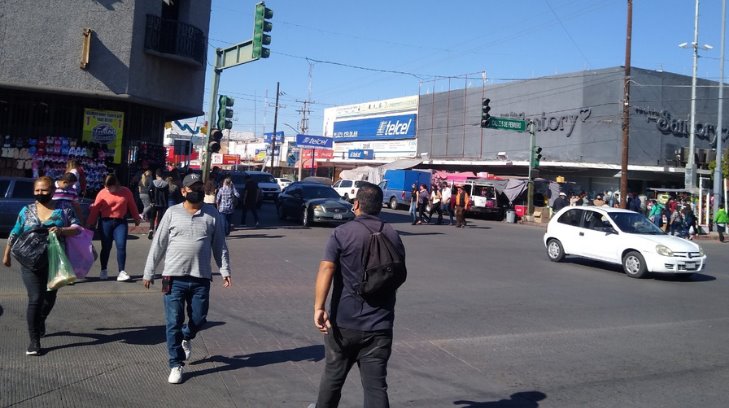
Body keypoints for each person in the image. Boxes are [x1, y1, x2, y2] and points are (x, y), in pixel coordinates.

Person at [312, 182, 405, 407]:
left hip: (344, 322)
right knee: (376, 387)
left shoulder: (342, 233)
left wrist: (319, 307)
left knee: (333, 378)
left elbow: (327, 268)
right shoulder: (392, 234)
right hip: (380, 325)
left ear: (356, 205)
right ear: (379, 207)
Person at [142, 173, 231, 384]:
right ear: (183, 191)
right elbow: (159, 244)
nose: (196, 191)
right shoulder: (171, 213)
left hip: (200, 277)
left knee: (199, 319)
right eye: (192, 188)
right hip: (172, 277)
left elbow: (220, 245)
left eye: (200, 188)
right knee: (173, 322)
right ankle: (175, 364)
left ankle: (187, 336)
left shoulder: (212, 215)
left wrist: (225, 270)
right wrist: (149, 271)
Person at [3, 176, 82, 355]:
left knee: (49, 298)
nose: (40, 193)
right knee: (35, 299)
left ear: (52, 191)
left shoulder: (64, 209)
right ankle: (34, 341)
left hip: (54, 262)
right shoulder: (27, 210)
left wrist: (63, 230)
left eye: (44, 190)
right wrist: (6, 253)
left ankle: (41, 319)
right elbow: (16, 230)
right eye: (37, 190)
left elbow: (77, 227)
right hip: (29, 262)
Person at [86, 174, 142, 281]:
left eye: (109, 187)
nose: (107, 189)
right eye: (106, 186)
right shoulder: (102, 193)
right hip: (105, 222)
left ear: (116, 185)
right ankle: (103, 270)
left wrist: (136, 218)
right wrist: (90, 223)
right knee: (106, 247)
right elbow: (95, 209)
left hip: (120, 222)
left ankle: (121, 271)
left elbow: (132, 205)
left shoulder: (126, 191)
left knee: (121, 246)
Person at [148, 169, 169, 240]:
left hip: (154, 203)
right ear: (162, 175)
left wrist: (151, 200)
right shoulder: (166, 184)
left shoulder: (153, 182)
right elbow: (167, 194)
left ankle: (151, 229)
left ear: (156, 175)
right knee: (159, 217)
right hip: (162, 203)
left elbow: (149, 190)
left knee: (152, 217)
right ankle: (157, 230)